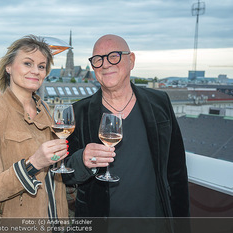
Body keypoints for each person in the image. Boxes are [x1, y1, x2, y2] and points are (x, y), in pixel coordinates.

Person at [64, 35, 189, 220]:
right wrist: (82, 160)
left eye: (113, 56)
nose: (105, 64)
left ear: (131, 60)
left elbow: (177, 172)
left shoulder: (160, 103)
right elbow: (65, 172)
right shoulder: (78, 111)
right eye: (98, 59)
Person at [0, 35, 68, 219]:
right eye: (27, 63)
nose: (36, 71)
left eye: (41, 66)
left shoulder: (45, 109)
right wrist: (33, 164)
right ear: (8, 67)